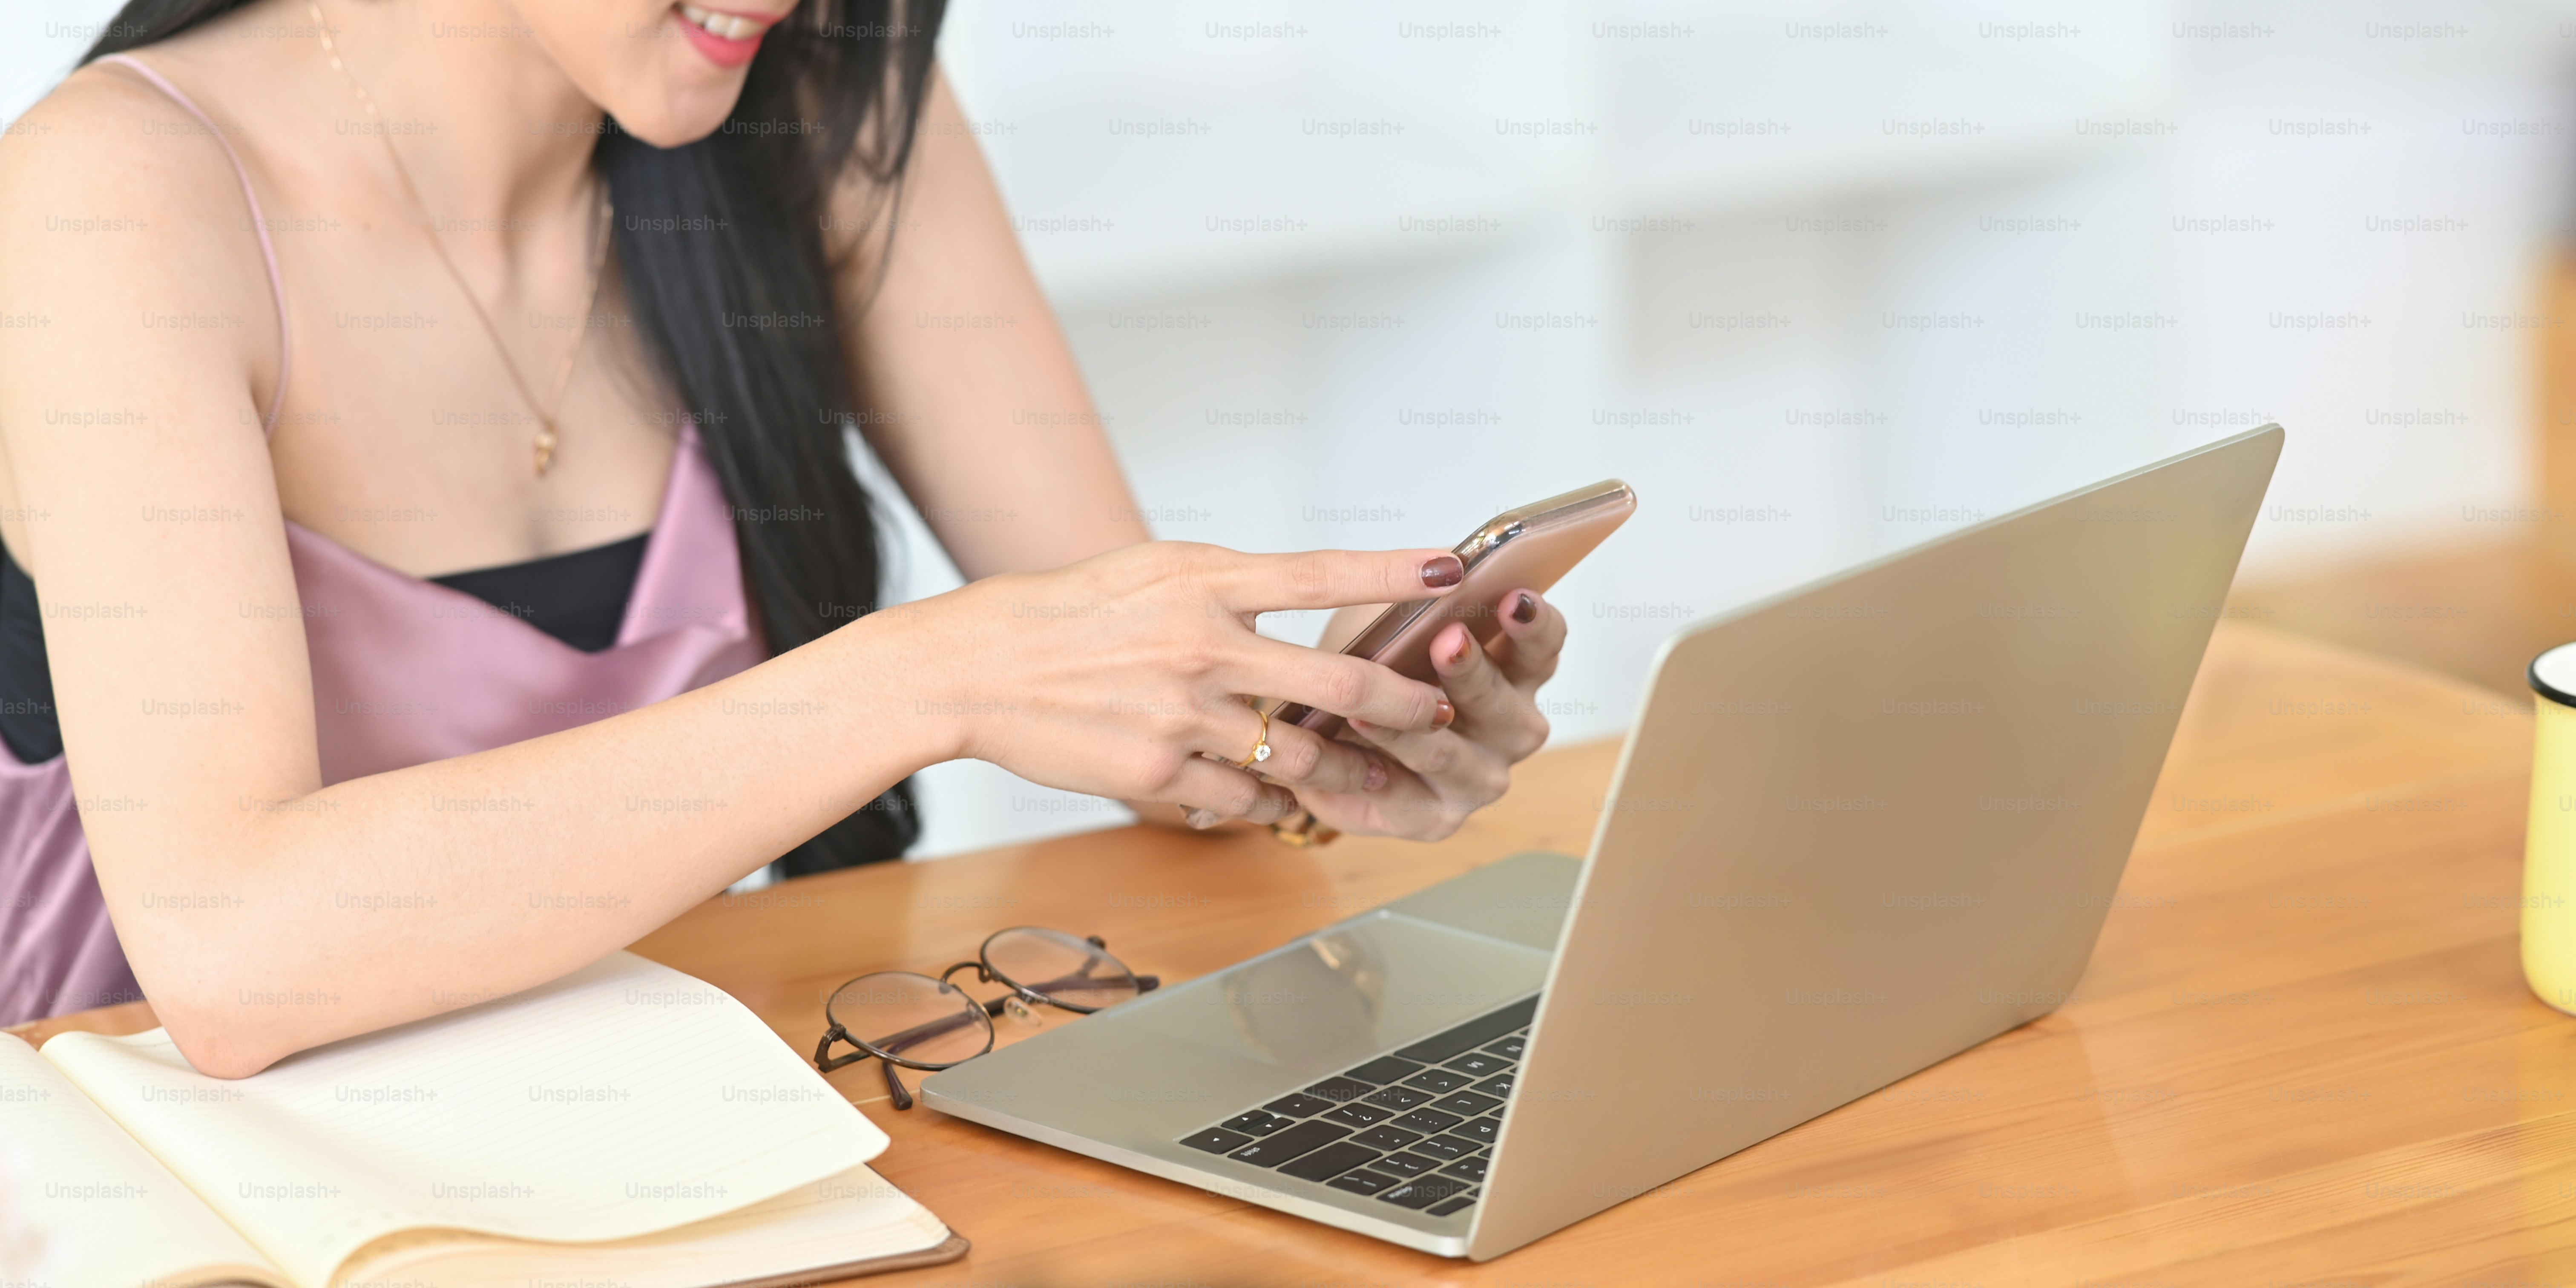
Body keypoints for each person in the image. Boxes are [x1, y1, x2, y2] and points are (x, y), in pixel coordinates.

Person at [0, 0, 1568, 1076]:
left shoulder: (808, 97)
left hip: (658, 1128)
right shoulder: (115, 198)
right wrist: (925, 681)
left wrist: (1325, 738)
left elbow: (1137, 703)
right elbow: (226, 954)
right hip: (184, 1186)